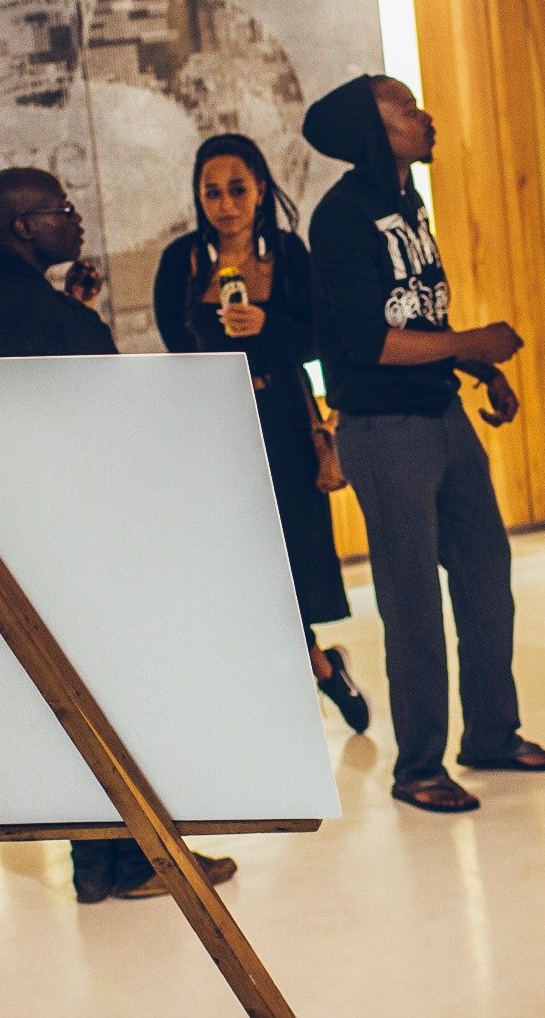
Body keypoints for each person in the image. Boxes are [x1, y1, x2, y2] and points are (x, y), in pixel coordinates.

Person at [0, 166, 236, 902]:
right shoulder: (65, 324)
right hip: (82, 536)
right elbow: (106, 430)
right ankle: (141, 862)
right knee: (118, 699)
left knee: (66, 701)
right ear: (21, 228)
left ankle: (95, 864)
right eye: (59, 210)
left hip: (9, 532)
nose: (74, 220)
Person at [303, 74, 545, 815]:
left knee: (486, 571)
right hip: (385, 429)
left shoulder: (406, 202)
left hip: (442, 413)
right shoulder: (343, 217)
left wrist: (478, 366)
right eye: (407, 108)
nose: (426, 118)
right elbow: (370, 343)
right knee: (413, 601)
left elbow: (418, 313)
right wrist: (476, 339)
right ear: (373, 130)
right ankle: (418, 764)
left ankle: (491, 731)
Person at [152, 133, 370, 733]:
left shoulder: (290, 253)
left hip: (281, 421)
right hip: (215, 424)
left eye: (238, 190)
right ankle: (319, 666)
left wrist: (265, 325)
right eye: (212, 192)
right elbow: (176, 345)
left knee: (291, 550)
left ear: (262, 190)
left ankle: (309, 668)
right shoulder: (184, 260)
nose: (225, 204)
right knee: (244, 556)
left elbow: (316, 339)